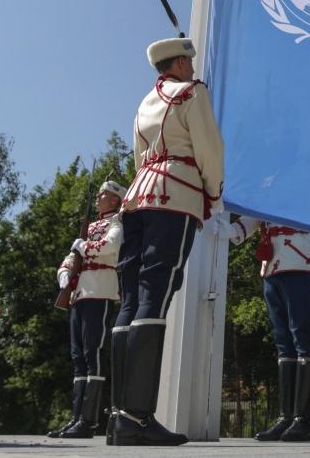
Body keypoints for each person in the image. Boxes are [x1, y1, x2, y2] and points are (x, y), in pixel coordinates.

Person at [109, 36, 226, 447]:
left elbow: (139, 155)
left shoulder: (144, 103)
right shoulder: (193, 93)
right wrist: (212, 191)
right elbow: (209, 149)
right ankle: (137, 416)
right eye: (188, 63)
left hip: (137, 197)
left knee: (129, 299)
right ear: (177, 64)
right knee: (154, 296)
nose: (193, 70)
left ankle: (118, 414)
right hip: (174, 195)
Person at [227, 215, 310, 442]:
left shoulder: (308, 180)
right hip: (272, 267)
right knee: (283, 344)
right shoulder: (269, 184)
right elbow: (256, 213)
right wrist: (233, 229)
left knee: (303, 337)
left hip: (300, 261)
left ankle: (304, 420)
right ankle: (286, 418)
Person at [48, 180, 125, 439]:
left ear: (114, 200)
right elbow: (71, 258)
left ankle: (88, 421)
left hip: (100, 292)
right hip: (79, 295)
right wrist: (64, 274)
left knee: (93, 355)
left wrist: (83, 246)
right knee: (78, 358)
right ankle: (75, 418)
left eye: (102, 194)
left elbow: (110, 248)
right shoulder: (90, 227)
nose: (97, 198)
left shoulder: (116, 223)